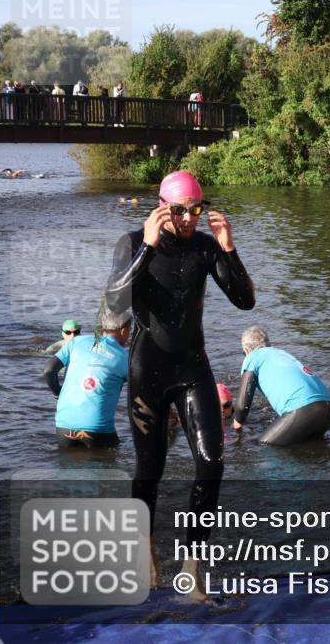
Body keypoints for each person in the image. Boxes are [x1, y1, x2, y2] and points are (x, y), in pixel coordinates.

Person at [104, 169, 254, 596]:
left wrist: (229, 248)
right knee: (150, 469)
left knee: (212, 463)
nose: (189, 218)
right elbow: (113, 304)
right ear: (162, 207)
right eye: (180, 210)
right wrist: (149, 246)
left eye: (196, 209)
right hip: (146, 371)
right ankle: (146, 547)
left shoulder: (206, 247)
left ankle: (191, 563)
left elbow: (245, 301)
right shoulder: (134, 242)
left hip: (192, 368)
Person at [44, 309, 131, 449]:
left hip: (64, 426)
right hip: (98, 430)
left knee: (67, 468)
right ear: (123, 330)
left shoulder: (76, 342)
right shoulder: (125, 358)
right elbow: (140, 393)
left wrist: (57, 394)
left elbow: (48, 370)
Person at [234, 327, 330, 445]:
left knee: (264, 446)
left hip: (304, 411)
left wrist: (237, 432)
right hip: (329, 410)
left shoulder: (252, 357)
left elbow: (242, 406)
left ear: (246, 350)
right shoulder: (281, 353)